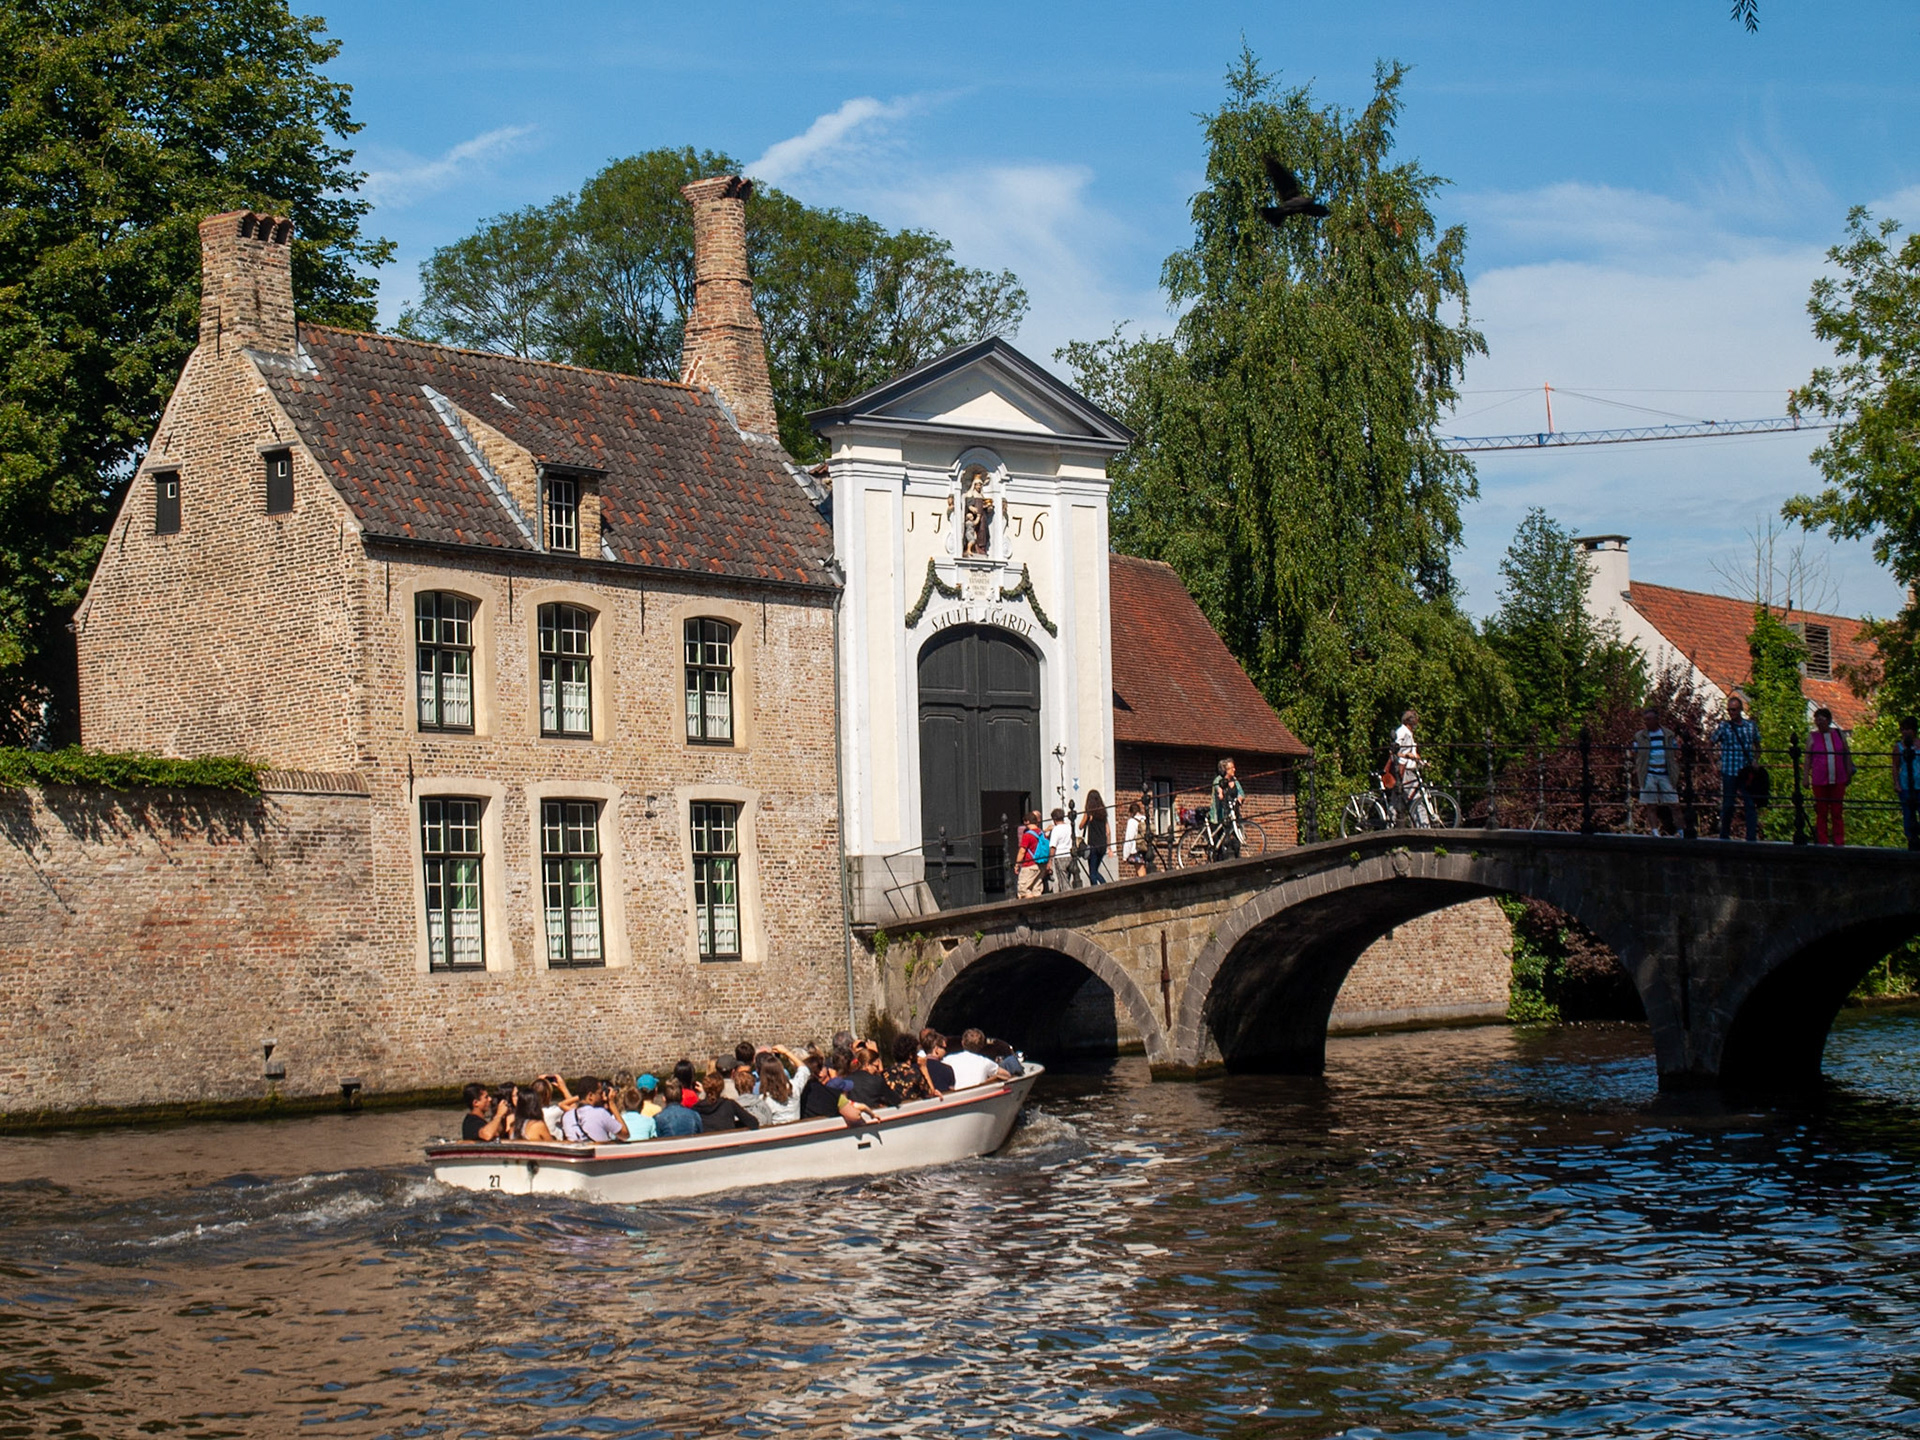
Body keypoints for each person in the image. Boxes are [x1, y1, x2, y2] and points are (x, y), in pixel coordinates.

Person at [1714, 696, 1761, 841]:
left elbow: (1758, 746)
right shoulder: (1724, 726)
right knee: (1728, 805)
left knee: (1749, 804)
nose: (1731, 713)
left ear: (1740, 710)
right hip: (1729, 769)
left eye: (1733, 710)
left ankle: (1751, 837)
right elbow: (1711, 742)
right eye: (1729, 710)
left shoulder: (1750, 726)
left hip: (1745, 770)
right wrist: (1713, 763)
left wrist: (1755, 760)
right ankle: (1724, 835)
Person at [1806, 707, 1855, 846]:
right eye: (1817, 719)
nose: (1819, 722)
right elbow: (1808, 758)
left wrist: (1848, 770)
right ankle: (1823, 840)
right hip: (1820, 779)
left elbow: (1846, 752)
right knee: (1821, 811)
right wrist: (1806, 777)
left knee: (1837, 811)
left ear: (1828, 720)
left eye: (1821, 719)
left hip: (1838, 777)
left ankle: (1839, 840)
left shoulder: (1838, 734)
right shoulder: (1812, 736)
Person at [1631, 706, 1682, 836]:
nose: (1646, 722)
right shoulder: (1640, 736)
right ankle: (1655, 832)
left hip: (1665, 773)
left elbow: (1676, 750)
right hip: (1649, 773)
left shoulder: (1668, 735)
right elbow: (1634, 751)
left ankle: (1681, 831)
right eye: (1645, 720)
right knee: (1651, 804)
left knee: (1674, 804)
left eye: (1649, 719)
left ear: (1656, 720)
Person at [559, 1076, 628, 1143]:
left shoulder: (567, 1116)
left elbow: (562, 1104)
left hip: (576, 1153)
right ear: (590, 1096)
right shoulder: (601, 1113)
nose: (602, 1096)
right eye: (600, 1093)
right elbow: (625, 1135)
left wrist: (582, 1095)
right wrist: (612, 1104)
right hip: (600, 1153)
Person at [692, 1073, 761, 1132]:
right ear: (722, 1087)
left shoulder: (695, 1109)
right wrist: (735, 1125)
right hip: (728, 1143)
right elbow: (753, 1122)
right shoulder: (729, 1104)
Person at [944, 1028, 1011, 1089]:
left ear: (962, 1042)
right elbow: (1006, 1075)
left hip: (956, 1095)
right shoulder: (985, 1062)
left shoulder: (948, 1059)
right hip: (978, 1094)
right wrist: (989, 1080)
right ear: (982, 1046)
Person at [884, 1032, 935, 1102]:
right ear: (911, 1055)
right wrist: (924, 1068)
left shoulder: (885, 1073)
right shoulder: (915, 1074)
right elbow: (931, 1094)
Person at [1210, 759, 1245, 858]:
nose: (1234, 769)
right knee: (1220, 844)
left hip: (1233, 814)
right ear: (1225, 770)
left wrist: (1240, 798)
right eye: (1231, 768)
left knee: (1236, 840)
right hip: (1220, 816)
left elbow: (1241, 793)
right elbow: (1218, 788)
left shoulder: (1235, 781)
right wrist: (1220, 793)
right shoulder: (1218, 780)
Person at [1895, 716, 1920, 852]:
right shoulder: (1898, 747)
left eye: (1908, 729)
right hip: (1905, 784)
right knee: (1908, 813)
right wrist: (1897, 783)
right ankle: (1911, 839)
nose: (1905, 732)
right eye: (1903, 729)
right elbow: (1895, 766)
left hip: (1919, 783)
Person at [1080, 790, 1109, 885]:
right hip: (1102, 845)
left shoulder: (1089, 813)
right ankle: (1105, 886)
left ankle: (1099, 889)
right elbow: (1108, 832)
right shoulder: (1103, 813)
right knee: (1095, 871)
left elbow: (1081, 826)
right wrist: (1109, 846)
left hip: (1093, 845)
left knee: (1092, 873)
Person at [1016, 810, 1046, 898]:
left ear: (1027, 822)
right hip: (1040, 864)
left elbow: (1022, 851)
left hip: (1029, 865)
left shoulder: (1027, 835)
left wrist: (1017, 864)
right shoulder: (1042, 833)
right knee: (1036, 890)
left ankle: (1027, 910)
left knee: (1023, 890)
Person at [920, 1029, 957, 1093]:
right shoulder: (947, 1070)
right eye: (944, 1048)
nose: (945, 1051)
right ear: (936, 1050)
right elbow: (951, 1094)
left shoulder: (915, 1068)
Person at [1122, 798, 1148, 878]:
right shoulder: (1146, 819)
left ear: (1131, 812)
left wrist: (1125, 856)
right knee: (1142, 871)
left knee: (1141, 875)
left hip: (1137, 850)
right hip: (1147, 849)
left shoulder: (1132, 821)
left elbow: (1129, 839)